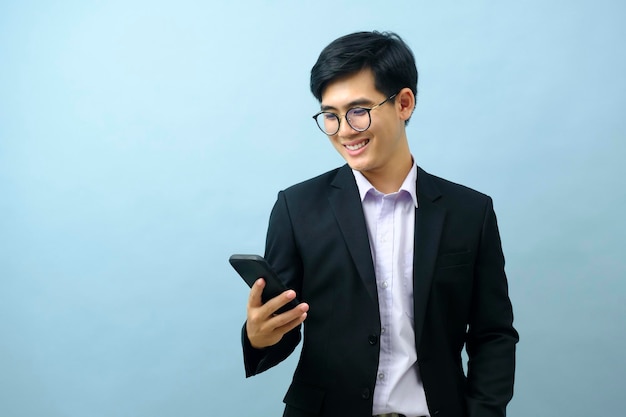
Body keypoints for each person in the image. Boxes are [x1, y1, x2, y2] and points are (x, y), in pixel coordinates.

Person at [242, 31, 518, 417]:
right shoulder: (297, 207)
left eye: (359, 111)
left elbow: (493, 334)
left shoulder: (470, 212)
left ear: (404, 103)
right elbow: (282, 329)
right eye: (330, 116)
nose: (344, 130)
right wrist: (258, 336)